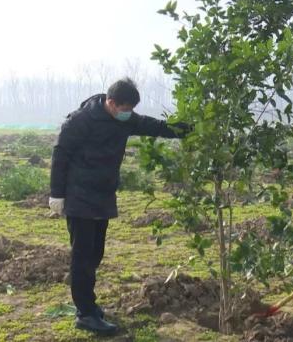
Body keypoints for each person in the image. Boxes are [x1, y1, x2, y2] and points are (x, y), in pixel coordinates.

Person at [49, 78, 189, 335]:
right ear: (111, 103)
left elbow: (152, 125)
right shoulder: (80, 121)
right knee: (82, 255)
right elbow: (60, 154)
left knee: (96, 253)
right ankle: (85, 314)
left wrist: (185, 129)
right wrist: (56, 194)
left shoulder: (125, 118)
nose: (129, 114)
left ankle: (88, 303)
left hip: (102, 194)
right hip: (79, 195)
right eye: (125, 109)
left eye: (131, 110)